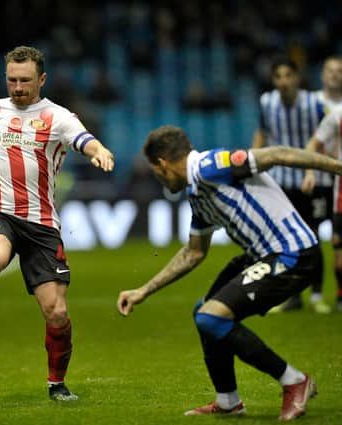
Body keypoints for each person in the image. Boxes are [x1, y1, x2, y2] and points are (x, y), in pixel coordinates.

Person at [115, 125, 342, 420]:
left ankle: (294, 380)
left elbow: (277, 154)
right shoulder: (197, 193)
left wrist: (338, 167)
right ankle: (228, 401)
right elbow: (194, 252)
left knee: (212, 317)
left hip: (293, 253)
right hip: (261, 255)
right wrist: (143, 290)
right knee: (203, 314)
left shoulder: (212, 166)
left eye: (156, 171)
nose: (158, 178)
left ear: (162, 163)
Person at [0, 45, 115, 401]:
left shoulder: (57, 116)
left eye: (25, 81)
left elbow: (84, 140)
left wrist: (100, 152)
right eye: (12, 80)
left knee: (57, 312)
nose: (17, 87)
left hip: (42, 221)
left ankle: (56, 385)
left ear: (41, 79)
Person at [251, 56, 328, 313]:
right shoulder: (266, 102)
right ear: (273, 80)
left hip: (310, 180)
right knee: (284, 242)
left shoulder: (313, 103)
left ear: (296, 78)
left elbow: (322, 137)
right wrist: (250, 166)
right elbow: (261, 134)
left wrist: (313, 169)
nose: (283, 81)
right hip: (280, 181)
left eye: (288, 75)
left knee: (312, 238)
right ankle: (290, 297)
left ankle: (316, 296)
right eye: (278, 77)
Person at [303, 55, 342, 312]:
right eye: (330, 70)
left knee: (338, 240)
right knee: (313, 236)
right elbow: (310, 139)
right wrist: (310, 169)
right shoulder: (312, 103)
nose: (334, 75)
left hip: (337, 179)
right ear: (322, 74)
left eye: (339, 71)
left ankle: (338, 294)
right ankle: (316, 294)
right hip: (321, 178)